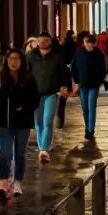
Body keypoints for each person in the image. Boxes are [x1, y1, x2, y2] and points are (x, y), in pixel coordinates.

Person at [0, 48, 39, 197]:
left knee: (20, 153)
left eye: (16, 58)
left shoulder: (28, 79)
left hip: (23, 122)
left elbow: (35, 99)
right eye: (10, 58)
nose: (13, 61)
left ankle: (17, 183)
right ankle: (3, 183)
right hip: (4, 122)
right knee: (4, 153)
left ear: (21, 61)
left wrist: (24, 107)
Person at [26, 31, 71, 162]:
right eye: (41, 39)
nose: (43, 42)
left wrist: (64, 86)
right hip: (35, 94)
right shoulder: (30, 56)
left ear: (50, 41)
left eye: (46, 40)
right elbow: (26, 74)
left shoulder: (57, 56)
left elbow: (64, 73)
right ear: (37, 41)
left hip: (51, 93)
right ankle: (42, 147)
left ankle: (44, 149)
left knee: (47, 120)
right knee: (38, 122)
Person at [70, 34, 106, 141]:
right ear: (84, 43)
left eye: (90, 42)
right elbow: (74, 67)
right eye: (86, 42)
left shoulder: (98, 53)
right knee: (85, 108)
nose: (88, 44)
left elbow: (102, 68)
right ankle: (87, 127)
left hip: (94, 85)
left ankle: (90, 129)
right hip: (83, 84)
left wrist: (100, 79)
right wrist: (77, 80)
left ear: (93, 43)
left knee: (91, 107)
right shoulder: (79, 53)